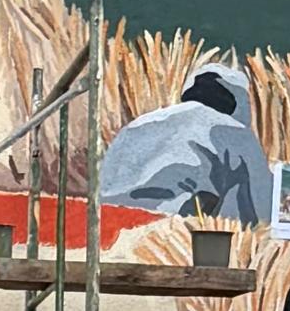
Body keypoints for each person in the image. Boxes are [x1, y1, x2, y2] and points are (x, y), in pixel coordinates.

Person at [98, 60, 277, 229]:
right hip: (171, 230)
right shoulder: (234, 132)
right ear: (240, 103)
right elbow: (258, 211)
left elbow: (106, 183)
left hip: (108, 223)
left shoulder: (139, 124)